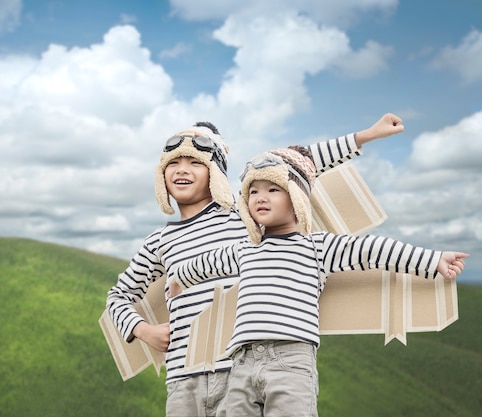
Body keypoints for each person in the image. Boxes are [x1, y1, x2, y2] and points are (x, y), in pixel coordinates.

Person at [106, 113, 407, 417]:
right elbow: (118, 296)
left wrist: (364, 136)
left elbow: (294, 165)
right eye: (173, 163)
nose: (182, 170)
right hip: (183, 380)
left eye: (196, 162)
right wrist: (143, 330)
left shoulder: (243, 214)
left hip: (239, 370)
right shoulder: (159, 241)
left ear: (216, 172)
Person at [166, 146, 469, 417]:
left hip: (291, 361)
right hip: (241, 363)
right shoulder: (245, 249)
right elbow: (205, 264)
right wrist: (180, 279)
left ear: (296, 197)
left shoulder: (317, 247)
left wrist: (432, 260)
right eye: (253, 191)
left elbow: (373, 250)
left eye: (273, 189)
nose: (261, 197)